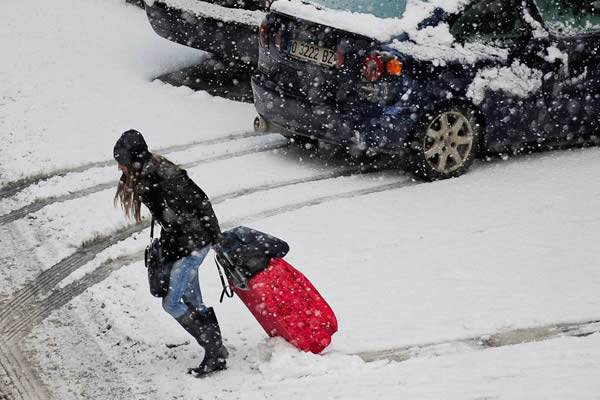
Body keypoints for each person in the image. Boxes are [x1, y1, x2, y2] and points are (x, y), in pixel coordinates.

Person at [113, 129, 228, 377]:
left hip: (195, 242)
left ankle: (215, 350)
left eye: (122, 162)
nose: (120, 168)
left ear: (135, 159)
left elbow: (201, 201)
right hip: (179, 242)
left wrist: (216, 236)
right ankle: (216, 352)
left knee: (172, 303)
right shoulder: (142, 173)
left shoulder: (167, 176)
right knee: (193, 301)